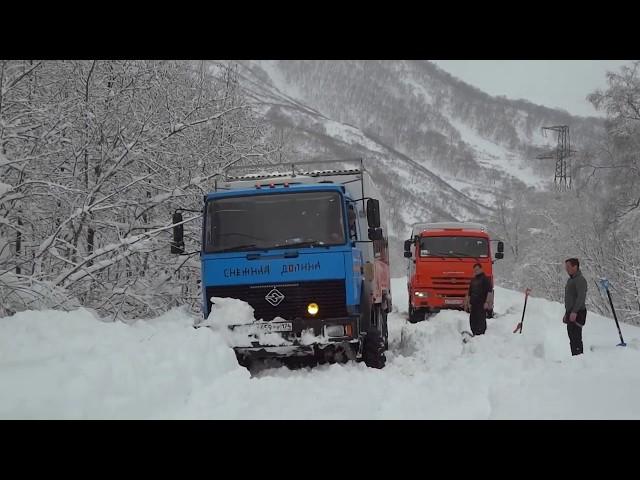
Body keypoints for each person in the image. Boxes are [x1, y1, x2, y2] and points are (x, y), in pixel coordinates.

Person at [563, 258, 588, 355]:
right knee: (571, 337)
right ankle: (575, 359)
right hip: (570, 312)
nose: (566, 269)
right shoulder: (570, 280)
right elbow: (569, 298)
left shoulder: (580, 280)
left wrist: (574, 312)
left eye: (568, 267)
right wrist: (567, 313)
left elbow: (581, 297)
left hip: (578, 313)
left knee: (576, 338)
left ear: (575, 267)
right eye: (566, 267)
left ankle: (579, 359)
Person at [464, 263, 494, 335]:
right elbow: (469, 292)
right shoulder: (473, 280)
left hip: (481, 304)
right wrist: (468, 303)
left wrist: (487, 302)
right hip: (473, 304)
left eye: (477, 269)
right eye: (474, 270)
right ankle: (474, 333)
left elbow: (489, 292)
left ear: (481, 269)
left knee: (480, 320)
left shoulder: (485, 279)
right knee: (472, 319)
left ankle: (481, 335)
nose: (476, 271)